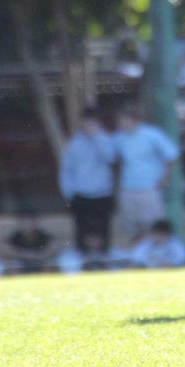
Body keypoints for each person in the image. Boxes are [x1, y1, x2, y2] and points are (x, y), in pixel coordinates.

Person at [114, 105, 180, 242]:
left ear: (134, 120)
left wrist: (164, 177)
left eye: (124, 121)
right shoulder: (119, 138)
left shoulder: (152, 134)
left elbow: (171, 155)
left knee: (152, 225)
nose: (122, 124)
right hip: (127, 188)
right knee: (130, 227)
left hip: (148, 187)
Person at [58, 107, 117, 260]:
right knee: (81, 229)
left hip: (103, 193)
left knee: (103, 229)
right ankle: (82, 260)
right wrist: (68, 192)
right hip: (81, 193)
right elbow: (67, 169)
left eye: (91, 122)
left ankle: (104, 259)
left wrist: (96, 137)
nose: (87, 125)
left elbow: (110, 158)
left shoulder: (105, 139)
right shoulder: (74, 143)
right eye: (85, 122)